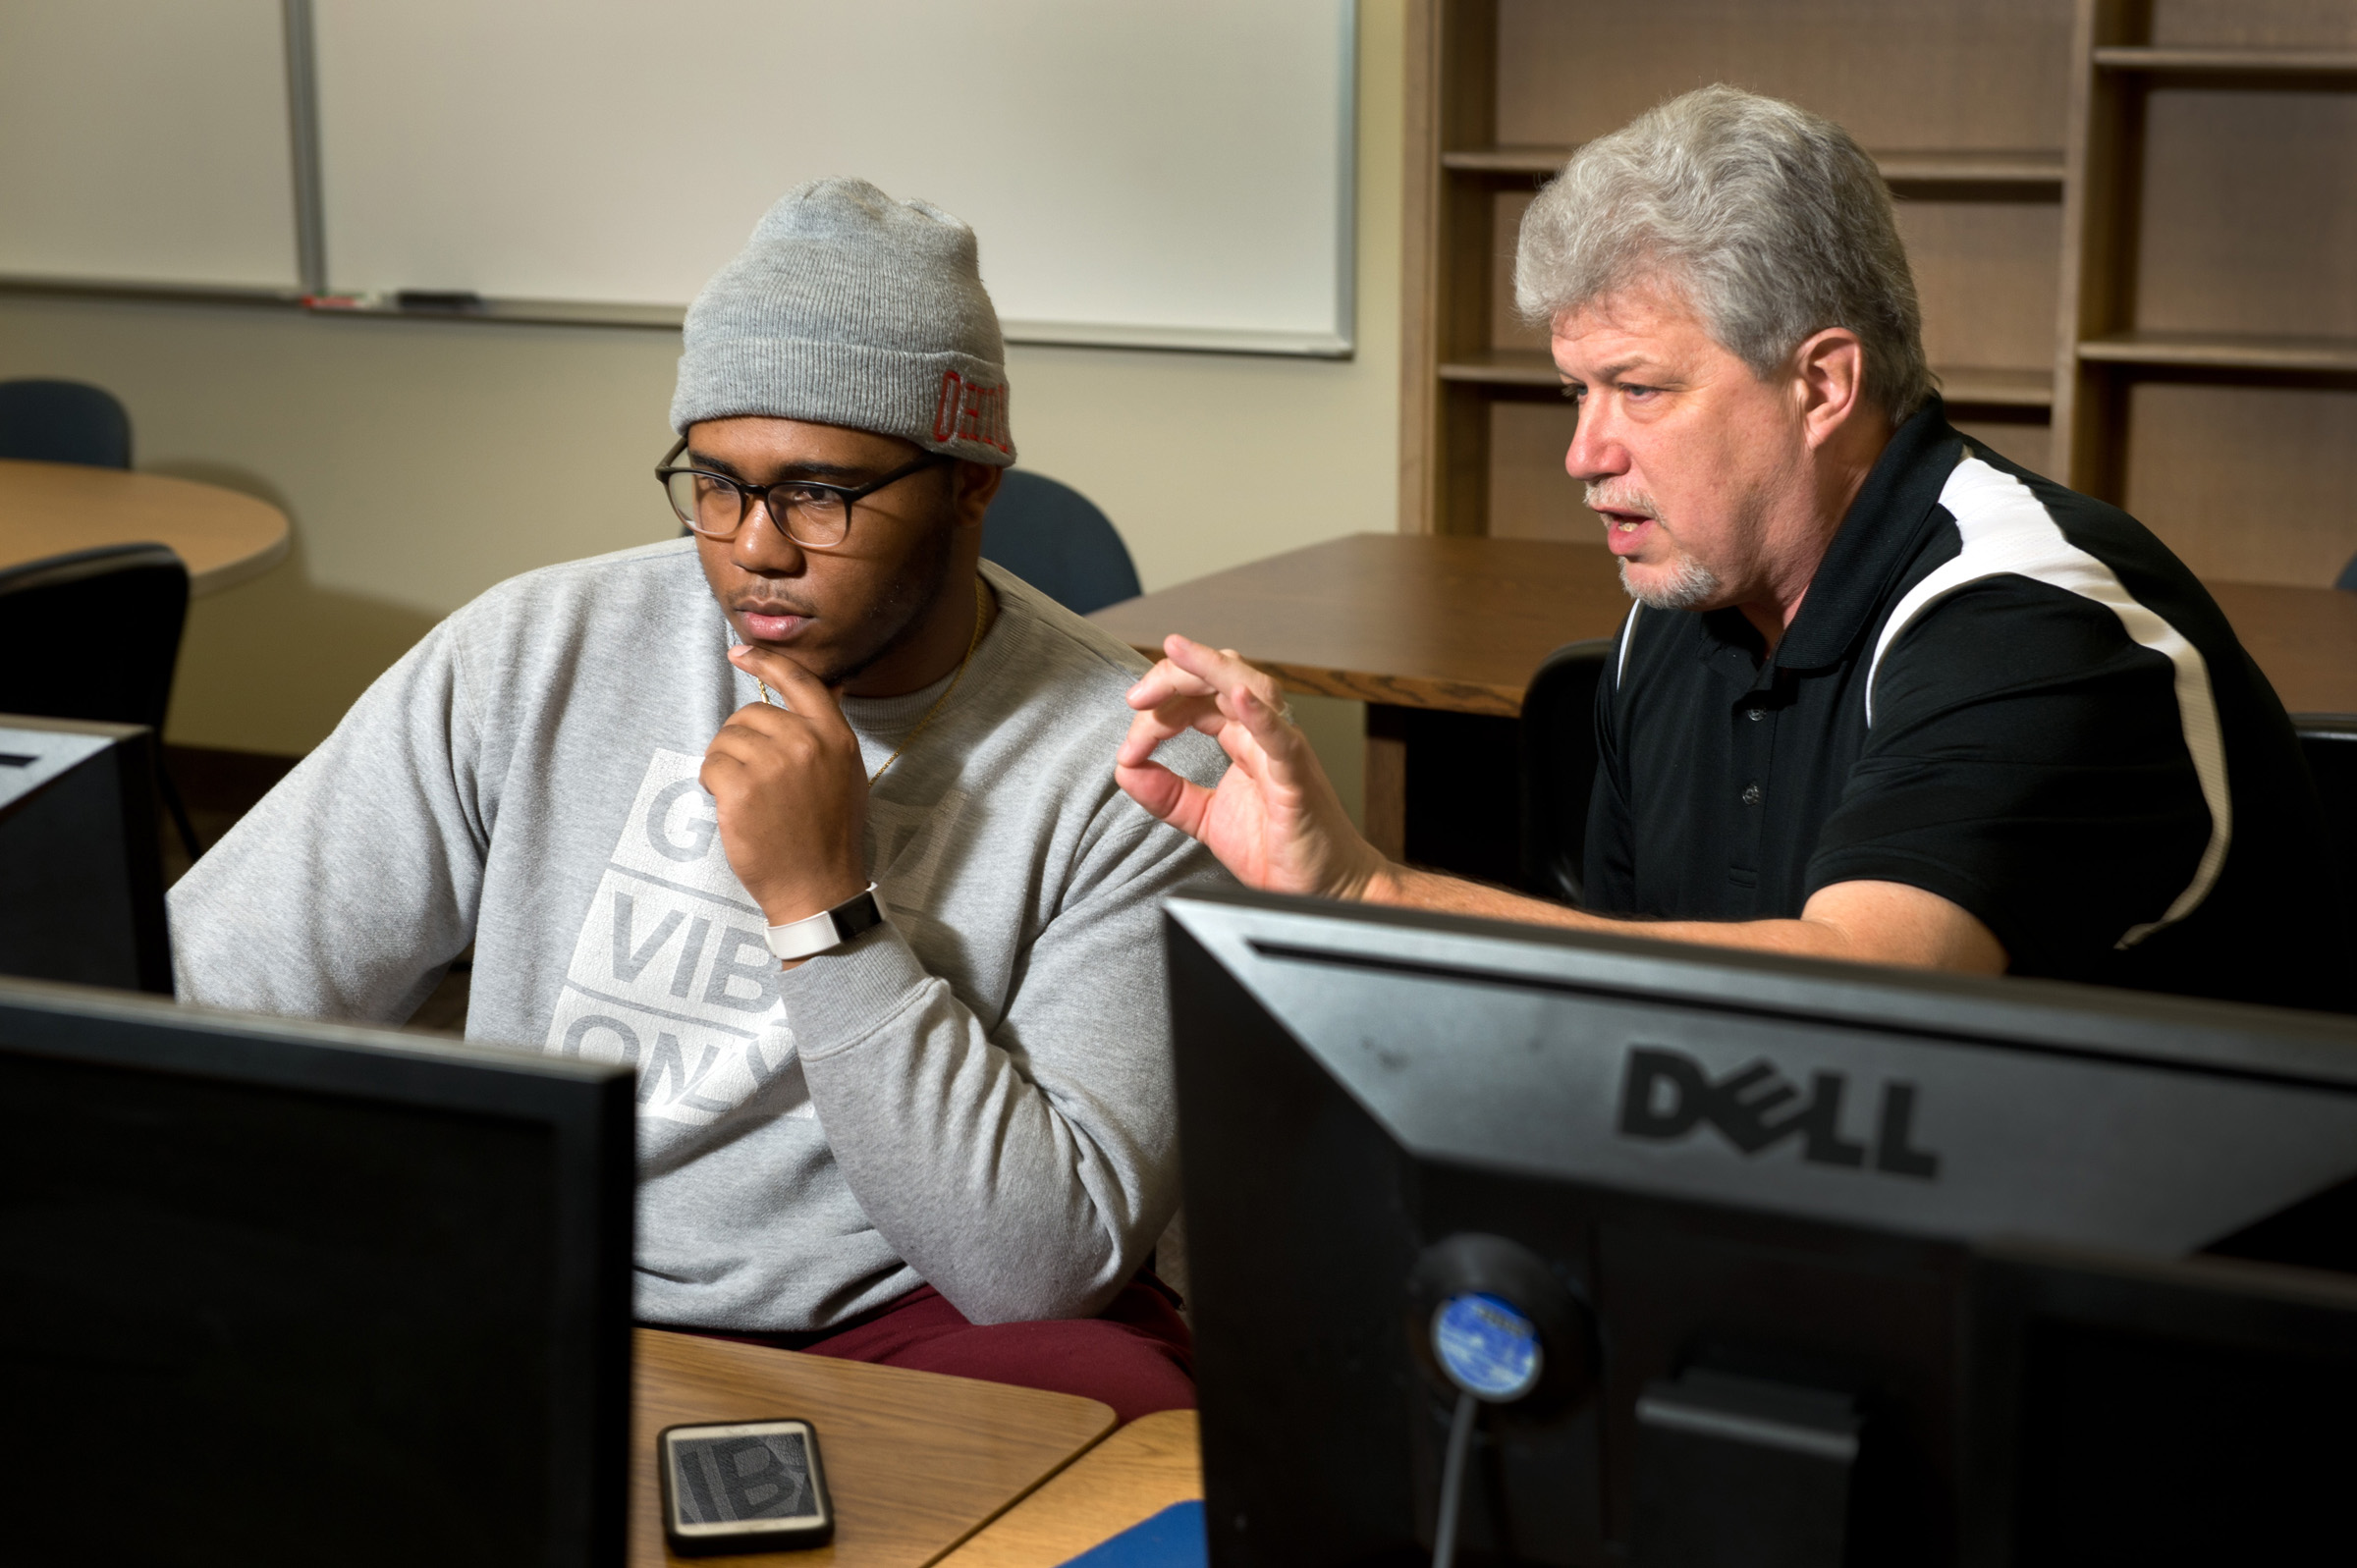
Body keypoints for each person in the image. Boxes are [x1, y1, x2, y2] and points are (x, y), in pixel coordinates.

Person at [170, 180, 1228, 1421]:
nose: (753, 548)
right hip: (541, 1259)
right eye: (715, 483)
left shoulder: (1142, 760)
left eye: (819, 495)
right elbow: (206, 987)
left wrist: (825, 907)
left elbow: (1034, 1267)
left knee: (1120, 1404)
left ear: (971, 484)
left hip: (899, 1308)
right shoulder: (529, 649)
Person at [1117, 86, 2349, 1013]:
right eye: (1573, 393)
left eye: (1640, 390)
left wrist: (1371, 897)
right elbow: (1637, 1008)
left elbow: (1865, 1000)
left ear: (1822, 384)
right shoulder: (1673, 610)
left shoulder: (2034, 619)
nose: (1585, 453)